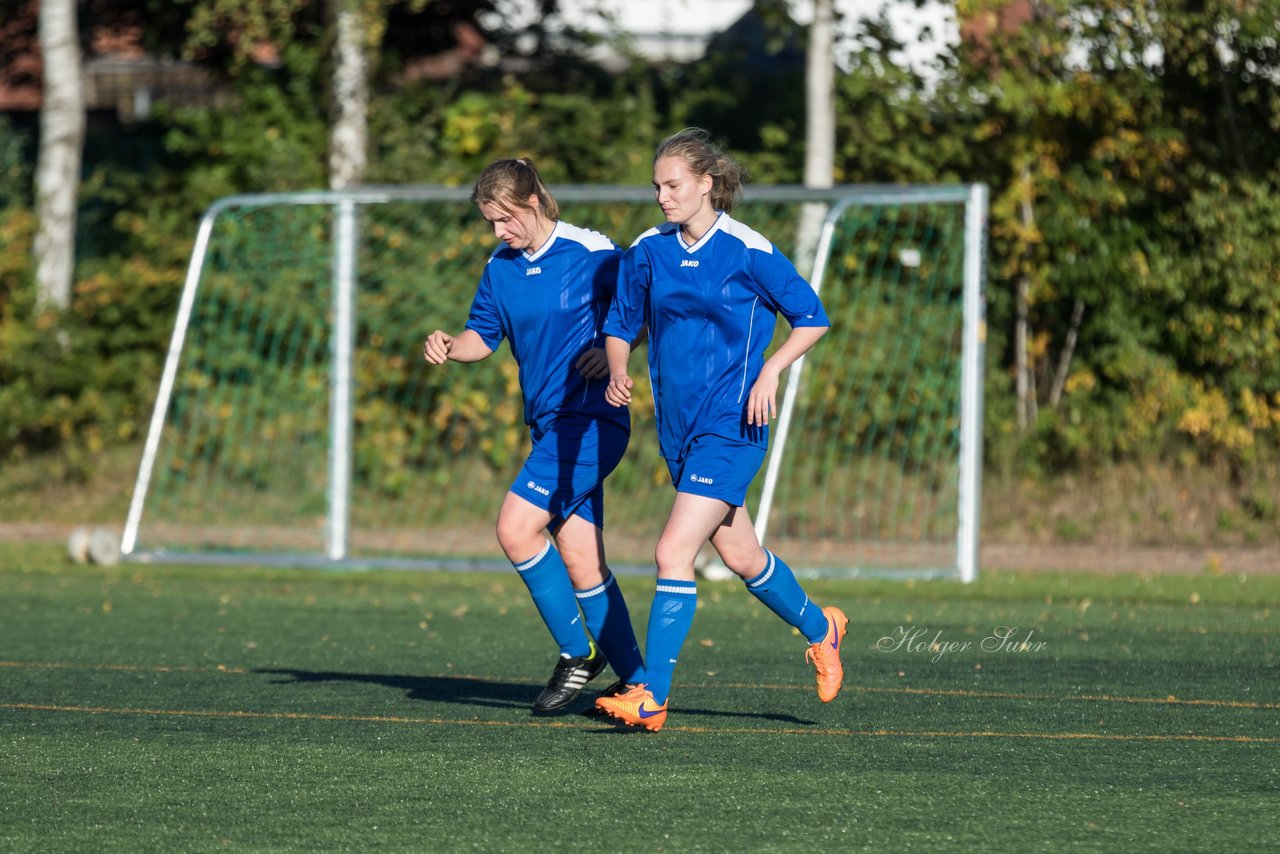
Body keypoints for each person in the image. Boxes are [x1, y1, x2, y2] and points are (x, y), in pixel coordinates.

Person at [594, 128, 848, 732]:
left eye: (673, 184)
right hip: (679, 428)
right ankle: (823, 628)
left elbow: (812, 319)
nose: (662, 196)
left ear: (708, 184)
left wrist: (771, 371)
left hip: (733, 424)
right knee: (740, 554)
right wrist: (619, 368)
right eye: (656, 186)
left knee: (671, 551)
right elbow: (621, 321)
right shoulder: (649, 250)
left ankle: (651, 696)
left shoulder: (748, 249)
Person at [423, 158, 644, 714]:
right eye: (490, 223)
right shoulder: (500, 267)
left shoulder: (593, 252)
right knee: (580, 558)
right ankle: (641, 684)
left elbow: (640, 310)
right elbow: (483, 336)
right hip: (549, 427)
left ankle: (578, 653)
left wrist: (612, 351)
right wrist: (451, 344)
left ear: (532, 204)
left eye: (504, 220)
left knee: (516, 529)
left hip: (592, 420)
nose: (498, 233)